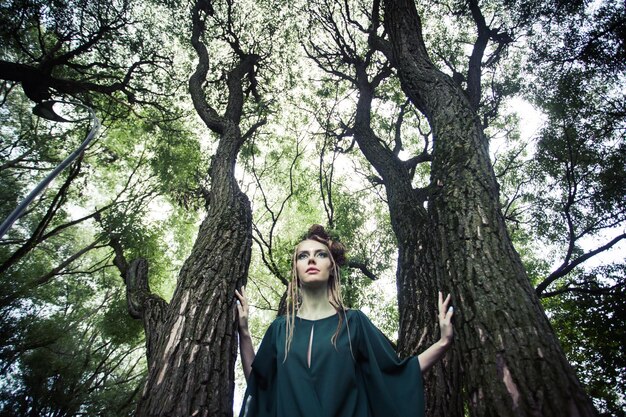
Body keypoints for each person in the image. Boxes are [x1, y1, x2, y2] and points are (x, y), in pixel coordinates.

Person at [235, 225, 453, 417]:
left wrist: (443, 342)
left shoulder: (353, 322)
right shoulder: (280, 329)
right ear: (296, 270)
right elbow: (259, 383)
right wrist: (244, 333)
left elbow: (396, 375)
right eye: (302, 256)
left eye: (320, 254)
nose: (311, 259)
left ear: (332, 267)